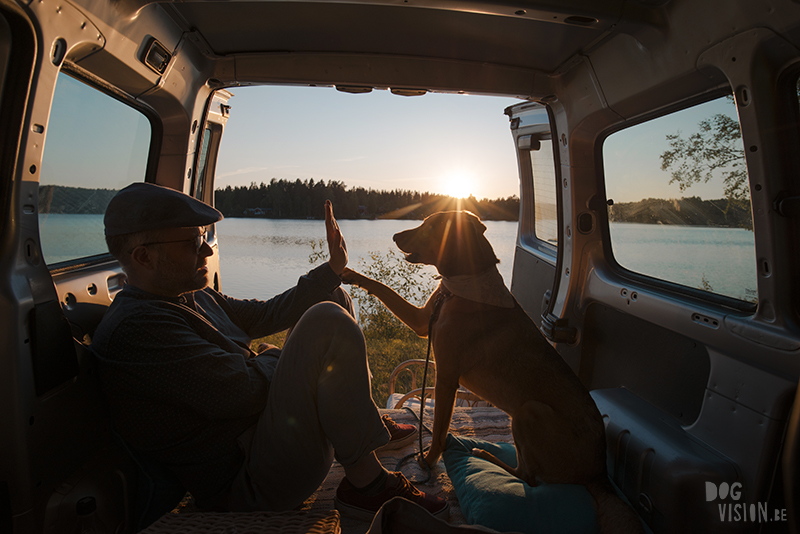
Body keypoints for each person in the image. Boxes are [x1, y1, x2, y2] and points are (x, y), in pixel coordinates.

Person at [92, 182, 448, 520]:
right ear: (144, 257)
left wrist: (331, 272)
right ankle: (368, 484)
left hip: (266, 440)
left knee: (331, 297)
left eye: (203, 238)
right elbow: (244, 392)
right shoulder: (138, 329)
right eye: (191, 243)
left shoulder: (190, 295)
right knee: (326, 319)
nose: (206, 250)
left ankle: (360, 423)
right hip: (251, 481)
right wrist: (275, 355)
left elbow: (263, 315)